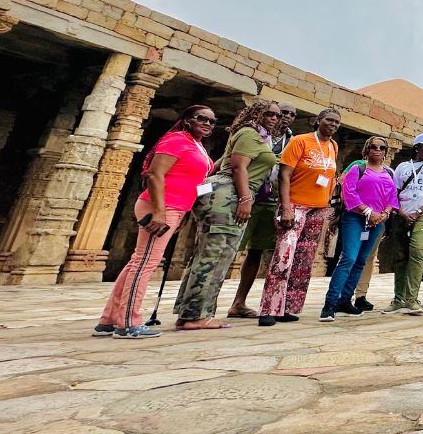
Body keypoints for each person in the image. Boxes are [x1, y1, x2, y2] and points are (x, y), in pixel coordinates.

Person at [96, 105, 217, 338]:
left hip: (175, 208)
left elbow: (196, 180)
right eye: (202, 118)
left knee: (138, 261)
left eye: (212, 121)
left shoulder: (196, 145)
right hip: (160, 206)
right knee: (145, 264)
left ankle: (109, 319)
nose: (208, 124)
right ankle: (128, 323)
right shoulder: (176, 140)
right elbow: (154, 173)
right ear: (187, 120)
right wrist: (160, 212)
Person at [172, 99, 280, 330]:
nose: (274, 118)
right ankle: (196, 315)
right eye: (269, 113)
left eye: (277, 115)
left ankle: (189, 311)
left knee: (208, 254)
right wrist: (245, 199)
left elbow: (220, 163)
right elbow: (239, 167)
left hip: (224, 192)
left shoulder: (253, 136)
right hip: (231, 196)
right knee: (217, 255)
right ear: (256, 113)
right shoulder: (250, 134)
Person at [257, 108, 341, 326]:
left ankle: (288, 306)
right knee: (283, 256)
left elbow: (329, 176)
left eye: (337, 122)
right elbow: (285, 175)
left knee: (304, 260)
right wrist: (285, 207)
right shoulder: (299, 141)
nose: (333, 125)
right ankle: (269, 307)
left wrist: (329, 206)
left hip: (318, 207)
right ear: (317, 120)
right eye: (329, 120)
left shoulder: (333, 146)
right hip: (295, 204)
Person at [227, 102, 296, 319]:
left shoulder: (292, 141)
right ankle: (204, 302)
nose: (284, 117)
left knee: (256, 250)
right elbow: (236, 163)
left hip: (271, 198)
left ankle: (239, 302)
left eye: (290, 114)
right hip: (246, 195)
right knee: (227, 247)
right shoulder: (254, 134)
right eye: (280, 113)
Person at [320, 136, 396, 321]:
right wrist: (369, 212)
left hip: (377, 221)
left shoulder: (389, 173)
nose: (377, 150)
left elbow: (392, 197)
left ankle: (345, 300)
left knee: (361, 260)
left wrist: (383, 214)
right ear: (367, 149)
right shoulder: (358, 168)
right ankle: (330, 303)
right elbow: (350, 194)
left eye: (381, 147)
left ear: (386, 151)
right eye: (373, 146)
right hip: (355, 217)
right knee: (349, 258)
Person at [381, 133, 423, 315]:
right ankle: (399, 298)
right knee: (401, 255)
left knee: (417, 251)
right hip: (402, 212)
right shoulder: (403, 167)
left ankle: (412, 298)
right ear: (417, 147)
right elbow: (395, 191)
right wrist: (400, 211)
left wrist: (419, 211)